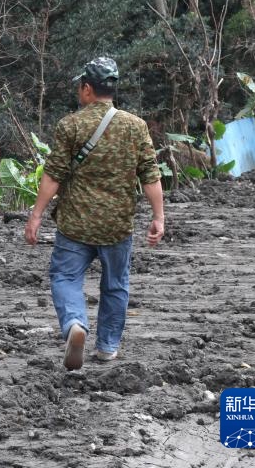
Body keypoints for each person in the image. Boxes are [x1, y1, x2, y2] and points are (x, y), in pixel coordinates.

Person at [24, 56, 164, 371]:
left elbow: (53, 175)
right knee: (115, 284)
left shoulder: (71, 125)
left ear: (87, 88)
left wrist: (35, 216)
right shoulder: (135, 126)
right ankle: (107, 348)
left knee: (65, 276)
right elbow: (150, 176)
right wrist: (159, 217)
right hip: (117, 225)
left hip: (76, 225)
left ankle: (75, 323)